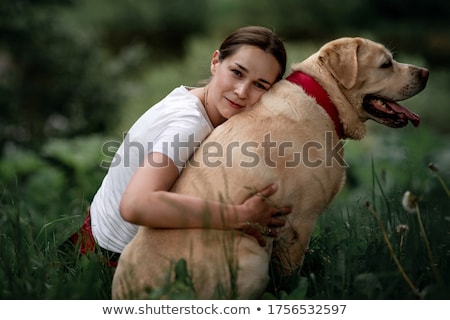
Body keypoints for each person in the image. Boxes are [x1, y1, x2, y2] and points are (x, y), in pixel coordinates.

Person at [66, 26, 291, 266]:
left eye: (260, 85)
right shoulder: (189, 124)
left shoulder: (192, 97)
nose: (242, 91)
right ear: (216, 62)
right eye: (237, 72)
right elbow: (135, 204)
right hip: (112, 260)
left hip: (95, 228)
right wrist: (240, 215)